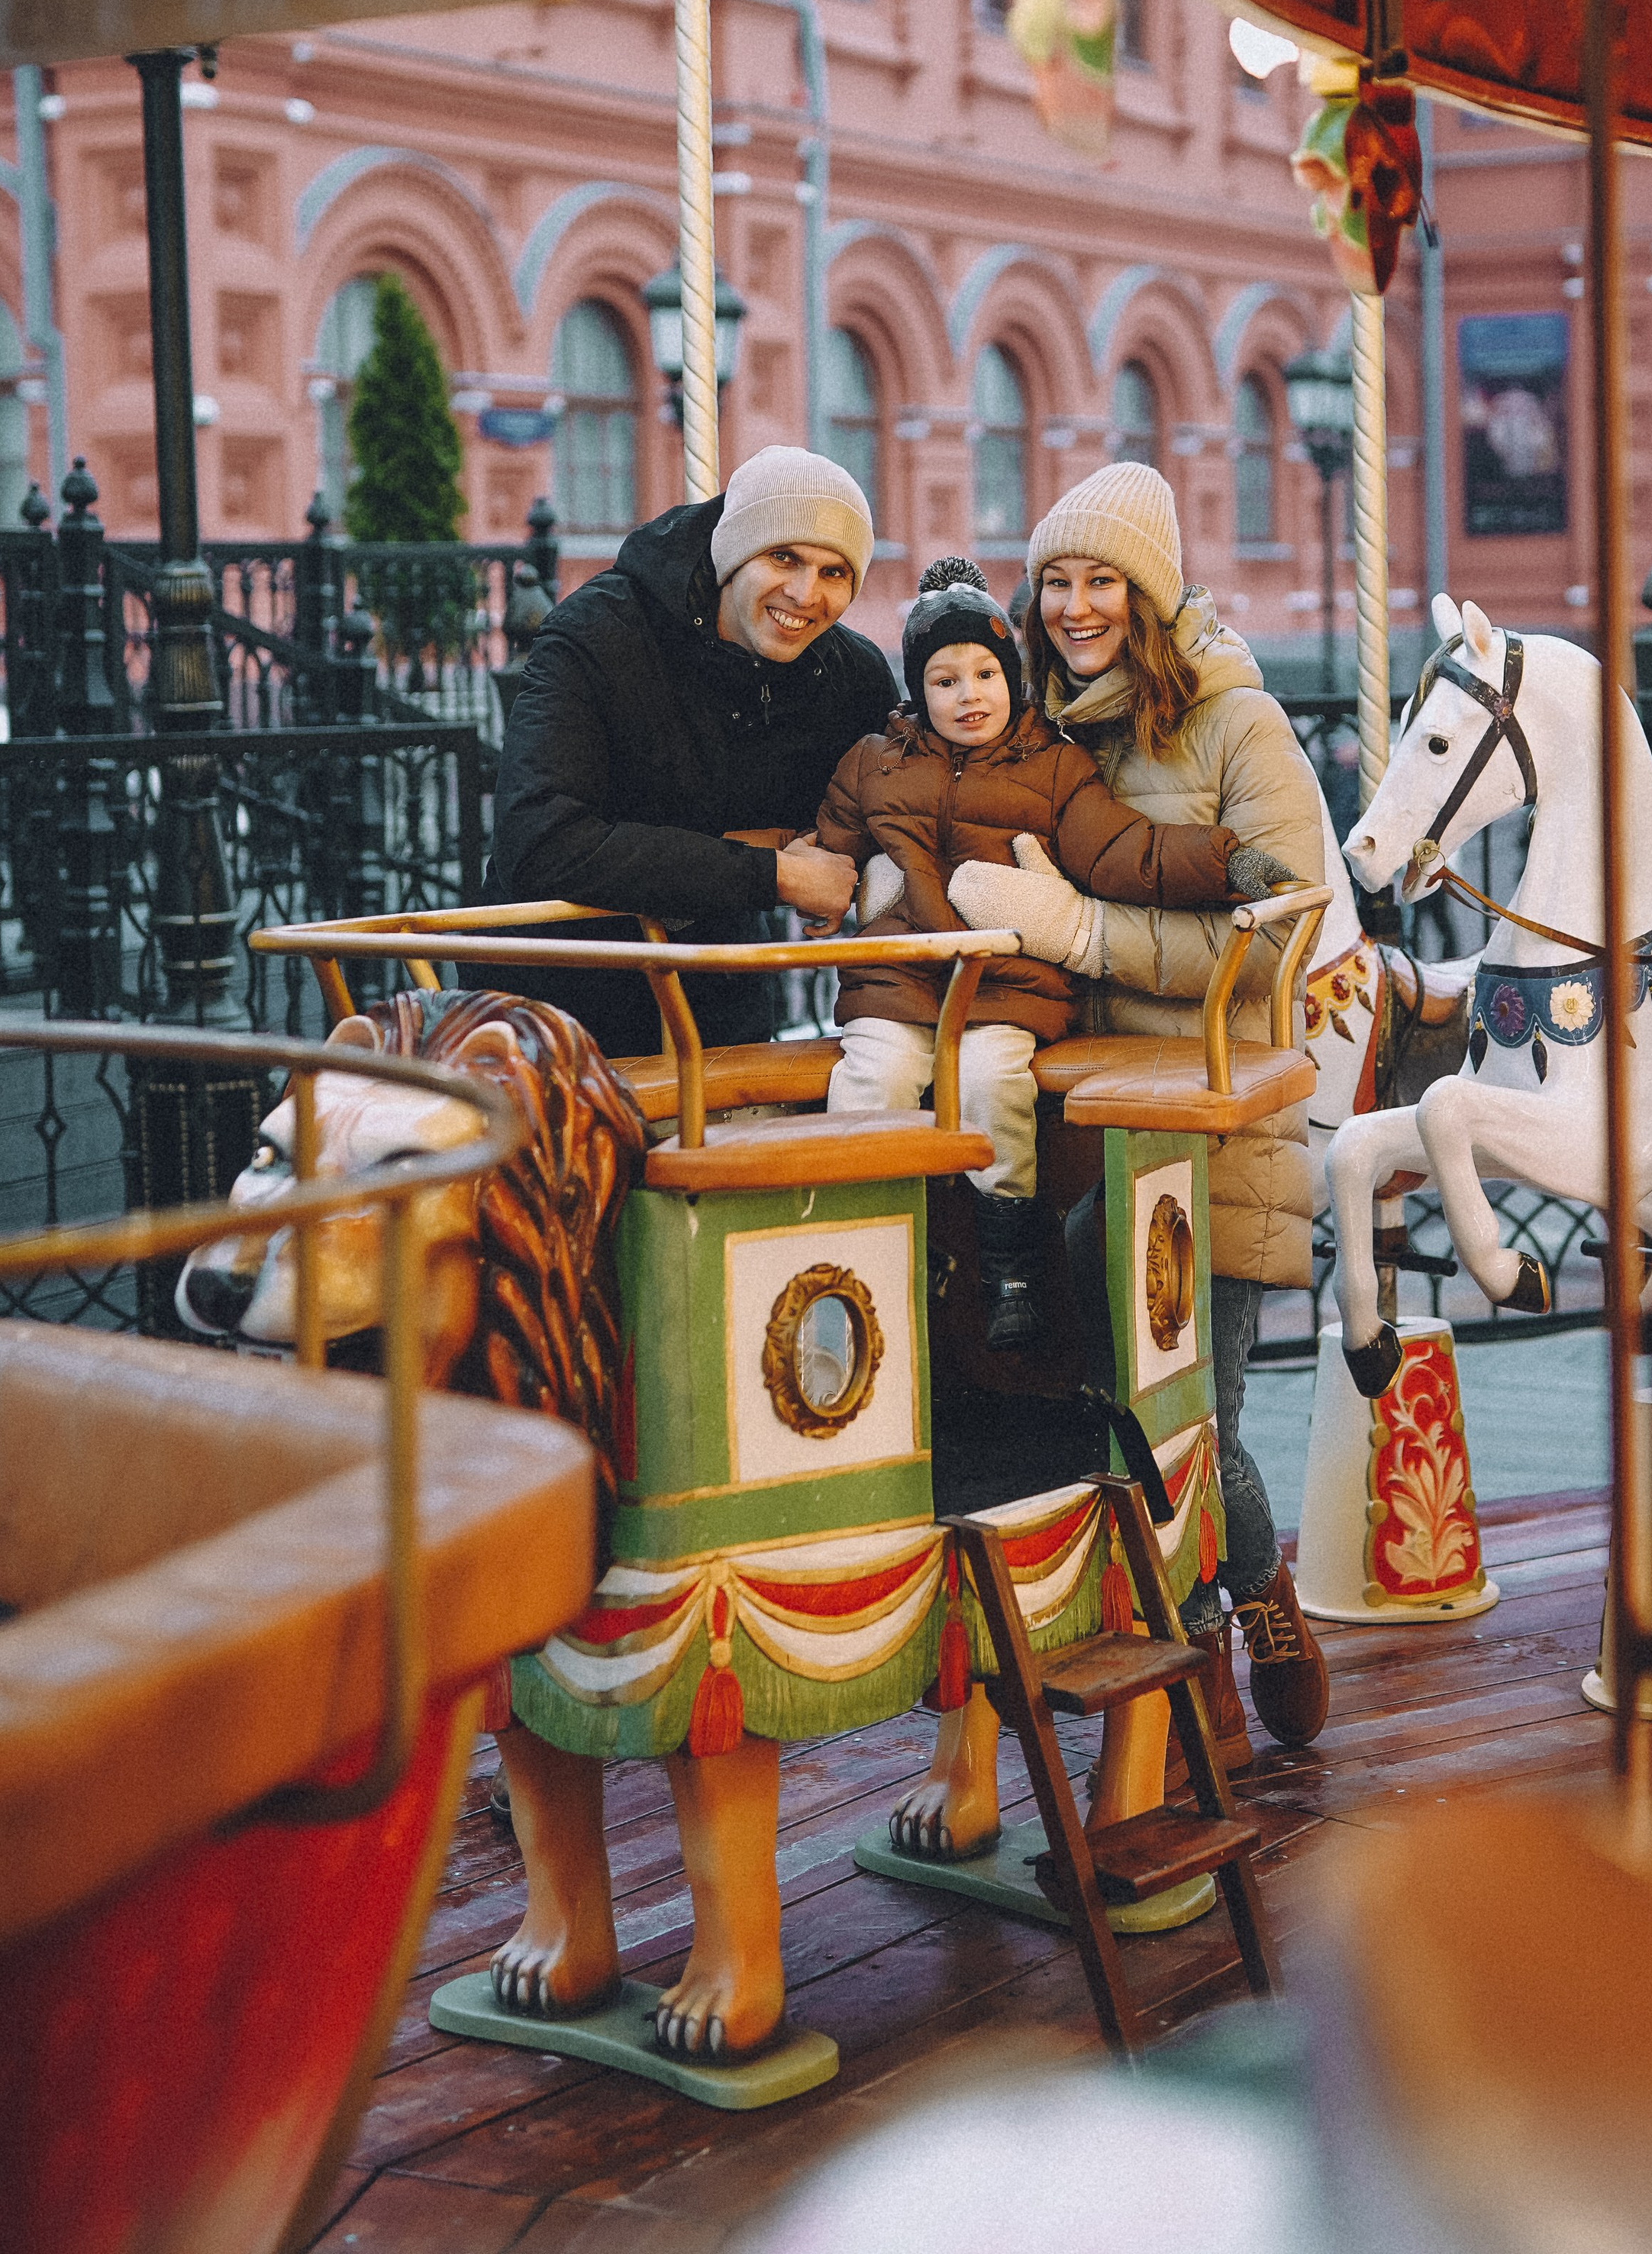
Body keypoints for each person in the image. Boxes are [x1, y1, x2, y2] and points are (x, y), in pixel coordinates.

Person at [948, 461, 1332, 1765]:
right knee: (1098, 1402)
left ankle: (1250, 1605)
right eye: (1056, 580)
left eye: (1100, 579)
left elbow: (1283, 932)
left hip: (1205, 1120)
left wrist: (1091, 932)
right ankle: (1173, 1649)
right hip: (1073, 1122)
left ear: (1148, 595)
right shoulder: (1032, 729)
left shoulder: (1238, 727)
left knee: (1190, 1421)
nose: (1074, 606)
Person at [812, 557, 1292, 1348]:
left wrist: (1224, 861)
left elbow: (1121, 850)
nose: (969, 696)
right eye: (943, 681)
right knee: (871, 1078)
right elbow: (828, 839)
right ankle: (860, 1250)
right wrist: (830, 883)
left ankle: (1009, 1266)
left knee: (993, 1081)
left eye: (984, 675)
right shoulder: (875, 761)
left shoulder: (1055, 764)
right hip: (897, 977)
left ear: (1012, 677)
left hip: (1004, 983)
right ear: (916, 693)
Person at [482, 445, 895, 1057]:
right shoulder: (600, 635)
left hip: (716, 1005)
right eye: (784, 557)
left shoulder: (846, 672)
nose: (807, 594)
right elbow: (540, 841)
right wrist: (774, 870)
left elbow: (897, 806)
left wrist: (835, 853)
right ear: (735, 553)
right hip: (552, 1012)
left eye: (835, 573)